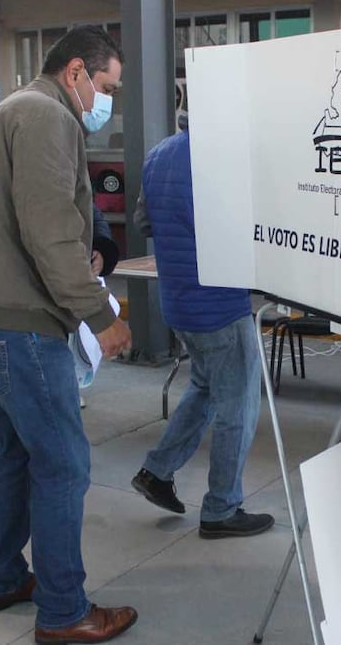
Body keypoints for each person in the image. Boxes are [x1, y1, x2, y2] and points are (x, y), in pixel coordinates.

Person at [0, 25, 136, 643]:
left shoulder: (10, 112)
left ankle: (3, 579)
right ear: (76, 71)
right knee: (63, 465)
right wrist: (102, 318)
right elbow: (50, 233)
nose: (109, 102)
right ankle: (63, 612)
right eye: (107, 86)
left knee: (17, 454)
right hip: (12, 326)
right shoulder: (48, 116)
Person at [130, 125, 273, 540]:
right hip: (219, 306)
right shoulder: (221, 160)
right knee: (239, 409)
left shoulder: (159, 153)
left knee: (205, 391)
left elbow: (143, 222)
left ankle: (156, 472)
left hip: (177, 301)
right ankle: (221, 509)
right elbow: (241, 231)